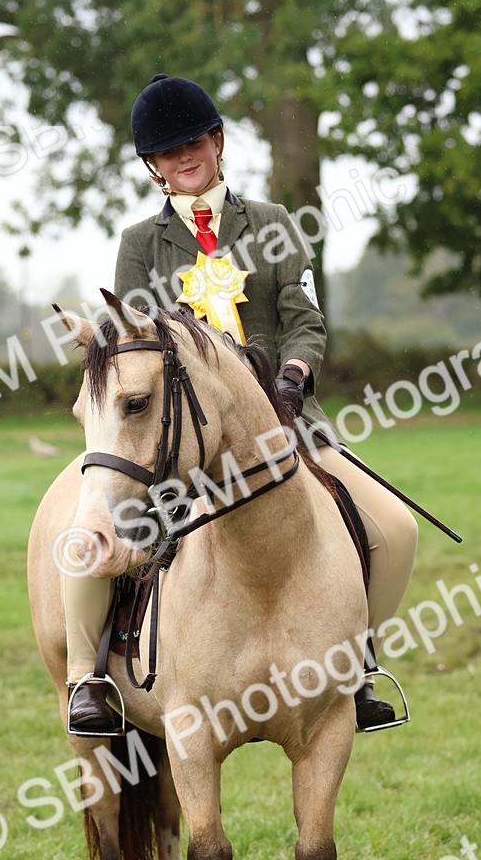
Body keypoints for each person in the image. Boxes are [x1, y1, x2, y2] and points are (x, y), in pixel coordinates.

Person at [64, 73, 418, 735]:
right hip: (178, 440)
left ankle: (361, 666)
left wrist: (292, 373)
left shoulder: (274, 224)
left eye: (192, 141)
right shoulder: (141, 245)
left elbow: (304, 319)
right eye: (166, 152)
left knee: (396, 530)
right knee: (90, 537)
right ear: (152, 167)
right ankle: (89, 679)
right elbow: (131, 340)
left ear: (218, 140)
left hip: (282, 426)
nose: (183, 157)